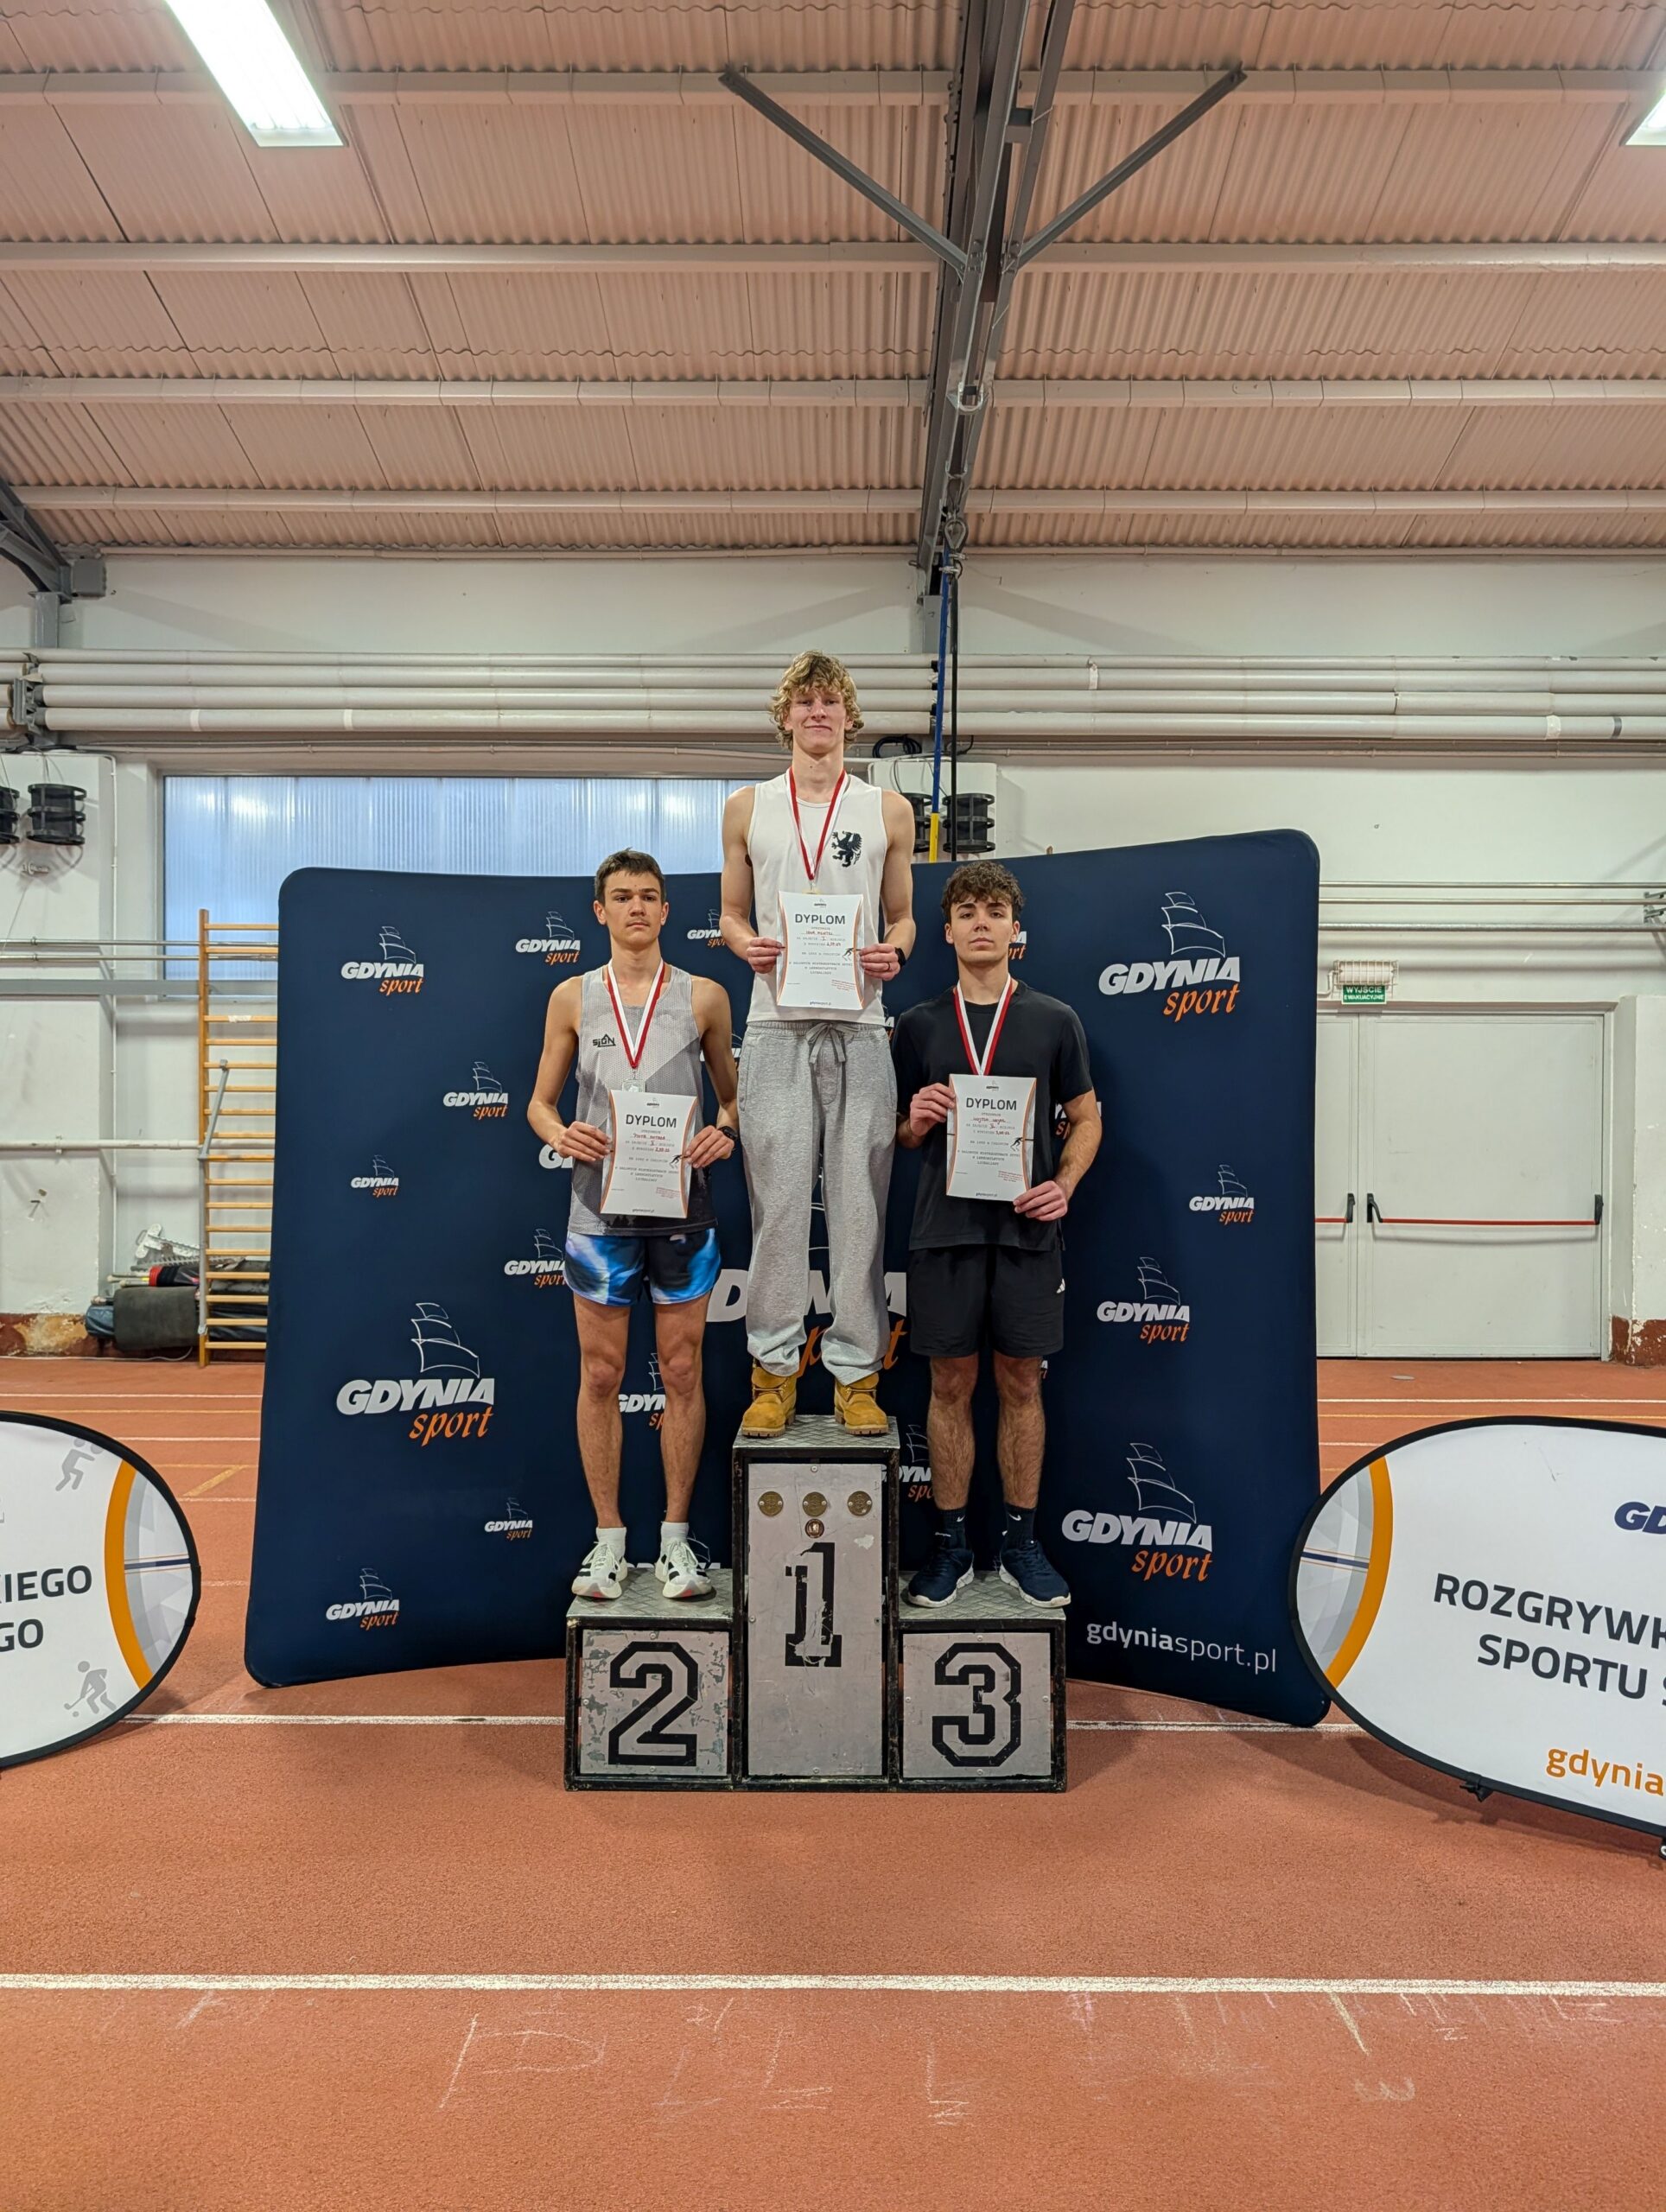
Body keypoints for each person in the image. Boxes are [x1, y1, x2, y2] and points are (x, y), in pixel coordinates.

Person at [527, 849, 739, 1602]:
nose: (637, 908)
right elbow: (538, 1104)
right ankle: (609, 1542)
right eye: (622, 897)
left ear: (666, 909)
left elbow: (732, 1100)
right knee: (601, 1374)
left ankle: (676, 1541)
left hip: (683, 1208)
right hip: (599, 1210)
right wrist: (560, 1134)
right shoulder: (572, 997)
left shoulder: (705, 996)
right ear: (601, 911)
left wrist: (725, 1132)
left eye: (649, 896)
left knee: (681, 1371)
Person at [892, 860, 1102, 1608]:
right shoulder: (917, 1025)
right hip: (943, 1233)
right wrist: (915, 1121)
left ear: (1017, 930)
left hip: (1026, 1233)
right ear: (947, 931)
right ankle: (951, 1546)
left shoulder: (1054, 1020)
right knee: (949, 1385)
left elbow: (1086, 1117)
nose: (981, 922)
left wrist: (1064, 1185)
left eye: (994, 911)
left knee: (1020, 1382)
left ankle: (1019, 1544)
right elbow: (895, 1133)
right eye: (967, 912)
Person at [719, 650, 917, 1437]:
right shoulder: (747, 806)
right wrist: (746, 946)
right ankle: (773, 1372)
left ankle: (856, 1375)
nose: (818, 712)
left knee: (859, 1205)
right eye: (804, 701)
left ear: (849, 716)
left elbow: (902, 917)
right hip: (775, 1022)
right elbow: (732, 914)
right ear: (786, 716)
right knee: (777, 1207)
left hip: (860, 1023)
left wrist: (894, 951)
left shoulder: (886, 810)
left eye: (830, 701)